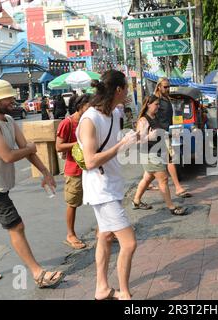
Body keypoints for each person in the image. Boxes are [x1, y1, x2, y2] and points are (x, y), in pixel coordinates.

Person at [0, 79, 64, 288]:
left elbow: (25, 147)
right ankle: (39, 274)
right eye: (8, 97)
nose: (13, 100)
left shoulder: (8, 119)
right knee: (16, 226)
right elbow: (9, 156)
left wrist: (45, 171)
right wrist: (30, 149)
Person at [77, 70, 138, 300]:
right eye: (127, 88)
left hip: (112, 184)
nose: (129, 93)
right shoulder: (90, 119)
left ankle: (101, 288)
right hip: (101, 189)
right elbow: (91, 160)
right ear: (119, 90)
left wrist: (139, 138)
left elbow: (114, 144)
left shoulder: (113, 113)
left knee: (105, 236)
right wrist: (122, 145)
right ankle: (125, 294)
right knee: (129, 243)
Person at [132, 94, 187, 215]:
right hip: (149, 154)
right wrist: (150, 136)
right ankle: (172, 207)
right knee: (164, 179)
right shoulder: (143, 120)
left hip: (157, 153)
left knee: (147, 178)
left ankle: (136, 201)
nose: (158, 106)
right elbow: (138, 139)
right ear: (148, 104)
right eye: (156, 104)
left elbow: (159, 133)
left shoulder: (154, 117)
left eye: (158, 104)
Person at [56, 94, 91, 250]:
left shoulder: (88, 122)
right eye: (89, 106)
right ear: (80, 106)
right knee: (73, 203)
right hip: (74, 169)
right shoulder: (67, 123)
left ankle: (102, 230)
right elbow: (59, 146)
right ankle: (70, 234)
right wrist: (79, 143)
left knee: (97, 199)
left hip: (89, 168)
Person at [154, 77, 192, 198]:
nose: (167, 89)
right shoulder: (156, 100)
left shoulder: (167, 99)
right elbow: (151, 116)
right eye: (165, 87)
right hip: (163, 133)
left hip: (171, 131)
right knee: (170, 159)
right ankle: (178, 187)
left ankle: (137, 198)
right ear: (159, 87)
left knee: (168, 158)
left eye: (168, 86)